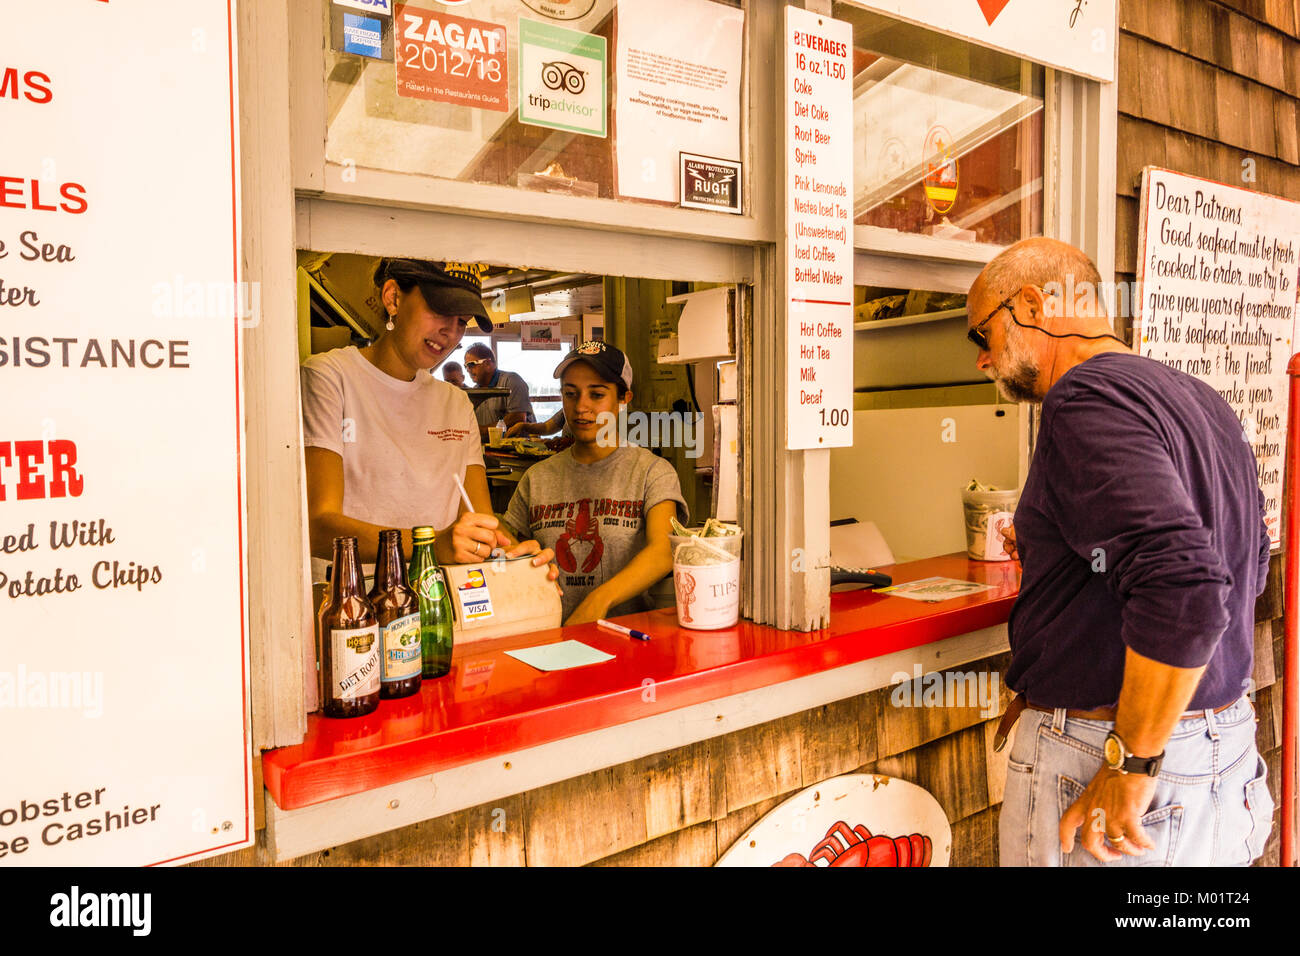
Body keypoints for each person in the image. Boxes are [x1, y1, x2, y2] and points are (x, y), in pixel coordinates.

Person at [973, 238, 1272, 867]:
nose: (983, 361)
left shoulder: (1081, 399)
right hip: (1227, 756)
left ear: (1031, 305)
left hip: (1121, 765)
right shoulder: (1201, 399)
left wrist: (1132, 761)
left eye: (982, 336)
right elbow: (1242, 561)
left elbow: (1185, 588)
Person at [300, 257, 555, 574]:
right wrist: (430, 546)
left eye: (462, 321)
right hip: (356, 600)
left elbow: (479, 519)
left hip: (442, 600)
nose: (450, 332)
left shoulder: (455, 402)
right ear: (393, 297)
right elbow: (318, 524)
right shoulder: (330, 377)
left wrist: (517, 559)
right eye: (440, 311)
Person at [503, 341, 687, 625]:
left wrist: (598, 600)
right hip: (549, 639)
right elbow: (508, 546)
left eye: (597, 394)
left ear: (624, 399)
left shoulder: (652, 472)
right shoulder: (536, 478)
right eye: (570, 394)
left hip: (628, 642)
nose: (581, 407)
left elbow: (664, 550)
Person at [465, 343, 535, 440]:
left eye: (471, 364)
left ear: (488, 364)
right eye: (466, 366)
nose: (468, 370)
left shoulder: (511, 380)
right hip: (490, 449)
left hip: (519, 450)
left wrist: (483, 430)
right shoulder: (475, 391)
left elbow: (518, 417)